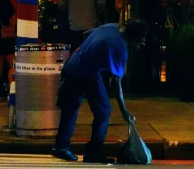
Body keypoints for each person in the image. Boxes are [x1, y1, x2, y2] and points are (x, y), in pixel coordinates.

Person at [51, 19, 149, 164]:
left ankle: (63, 146)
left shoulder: (111, 27)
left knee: (71, 107)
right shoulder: (120, 47)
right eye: (139, 41)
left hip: (76, 63)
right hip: (85, 71)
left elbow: (86, 34)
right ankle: (91, 151)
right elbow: (116, 83)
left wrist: (90, 52)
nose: (139, 46)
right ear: (133, 38)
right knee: (101, 110)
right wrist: (124, 111)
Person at [0, 0, 19, 87]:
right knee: (6, 58)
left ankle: (8, 85)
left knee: (10, 58)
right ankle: (5, 85)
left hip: (13, 23)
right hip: (5, 25)